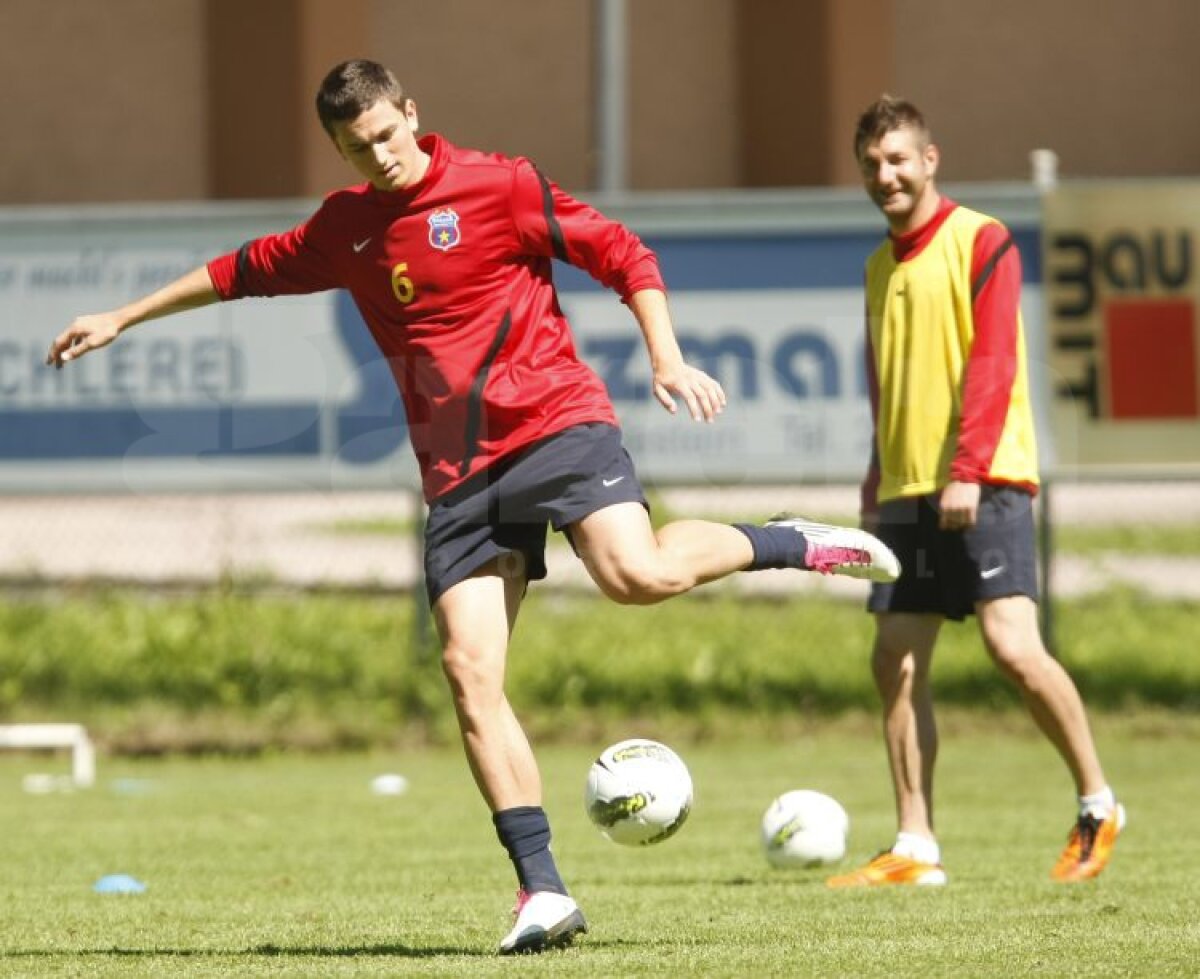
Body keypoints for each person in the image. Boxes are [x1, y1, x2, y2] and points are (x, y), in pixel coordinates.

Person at [47, 60, 899, 953]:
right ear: (337, 150)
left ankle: (786, 541)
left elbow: (623, 254)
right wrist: (124, 316)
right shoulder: (346, 229)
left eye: (385, 134)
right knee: (467, 669)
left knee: (635, 573)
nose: (378, 156)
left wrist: (667, 356)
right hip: (459, 475)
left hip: (556, 423)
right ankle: (543, 892)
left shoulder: (499, 184)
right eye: (355, 147)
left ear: (411, 114)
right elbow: (240, 271)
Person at [827, 96, 1123, 889]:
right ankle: (915, 845)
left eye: (897, 159)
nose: (884, 175)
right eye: (871, 164)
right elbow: (885, 379)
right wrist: (874, 469)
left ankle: (1098, 802)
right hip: (904, 486)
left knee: (1014, 648)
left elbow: (991, 360)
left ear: (930, 160)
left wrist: (966, 466)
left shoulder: (981, 238)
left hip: (982, 480)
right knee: (895, 659)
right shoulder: (877, 264)